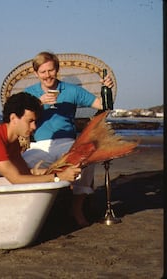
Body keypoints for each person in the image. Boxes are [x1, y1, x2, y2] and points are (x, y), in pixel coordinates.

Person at [21, 51, 114, 227]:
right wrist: (38, 103)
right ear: (36, 73)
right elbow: (17, 118)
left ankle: (76, 208)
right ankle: (37, 210)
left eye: (51, 70)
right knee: (23, 165)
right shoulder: (29, 94)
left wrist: (107, 89)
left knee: (87, 157)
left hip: (67, 142)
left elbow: (103, 105)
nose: (47, 75)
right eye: (43, 72)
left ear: (56, 70)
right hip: (39, 145)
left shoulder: (72, 91)